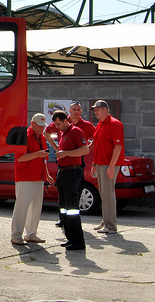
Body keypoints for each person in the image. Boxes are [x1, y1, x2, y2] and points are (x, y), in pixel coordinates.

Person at [44, 100, 96, 227]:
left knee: (74, 192)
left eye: (78, 110)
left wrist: (88, 149)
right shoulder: (61, 122)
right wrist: (56, 148)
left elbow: (96, 138)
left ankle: (73, 220)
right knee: (62, 192)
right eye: (74, 109)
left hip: (77, 162)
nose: (76, 112)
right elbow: (46, 132)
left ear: (81, 111)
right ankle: (63, 219)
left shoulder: (84, 126)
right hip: (62, 162)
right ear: (70, 111)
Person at [11, 113, 54, 245]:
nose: (42, 128)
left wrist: (46, 174)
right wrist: (37, 154)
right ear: (32, 124)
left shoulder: (41, 137)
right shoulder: (25, 137)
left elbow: (43, 158)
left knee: (36, 208)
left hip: (38, 177)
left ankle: (31, 234)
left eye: (43, 126)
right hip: (25, 177)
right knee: (22, 207)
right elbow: (20, 157)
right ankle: (16, 235)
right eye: (39, 126)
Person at [52, 110, 89, 250]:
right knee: (64, 208)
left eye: (59, 124)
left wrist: (65, 153)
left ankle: (78, 241)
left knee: (72, 209)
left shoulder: (76, 131)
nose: (57, 127)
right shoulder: (63, 134)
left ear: (65, 120)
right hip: (63, 173)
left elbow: (85, 150)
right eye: (56, 124)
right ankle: (70, 238)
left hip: (73, 173)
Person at [90, 100, 124, 234]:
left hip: (108, 164)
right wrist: (93, 163)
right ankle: (106, 220)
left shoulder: (115, 124)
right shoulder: (100, 124)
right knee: (103, 193)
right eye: (94, 109)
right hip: (100, 163)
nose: (95, 112)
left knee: (108, 194)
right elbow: (97, 144)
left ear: (105, 109)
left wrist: (111, 166)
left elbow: (118, 146)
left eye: (97, 109)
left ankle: (111, 226)